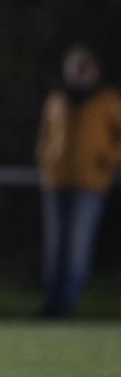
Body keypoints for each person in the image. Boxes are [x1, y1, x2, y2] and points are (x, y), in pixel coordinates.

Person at [36, 45, 121, 317]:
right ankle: (51, 303)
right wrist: (46, 161)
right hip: (57, 181)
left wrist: (106, 157)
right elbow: (46, 135)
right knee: (54, 246)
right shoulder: (57, 99)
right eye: (76, 70)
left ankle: (67, 305)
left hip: (91, 183)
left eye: (85, 70)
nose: (80, 76)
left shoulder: (107, 101)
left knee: (77, 245)